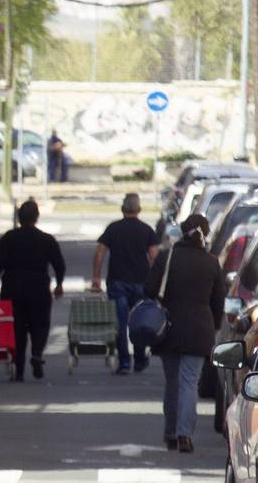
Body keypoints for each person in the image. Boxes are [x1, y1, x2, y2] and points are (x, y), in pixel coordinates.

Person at [148, 213, 227, 454]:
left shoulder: (166, 257)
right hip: (199, 329)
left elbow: (149, 289)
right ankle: (185, 435)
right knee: (189, 382)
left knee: (172, 382)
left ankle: (170, 434)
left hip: (168, 328)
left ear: (182, 232)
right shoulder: (211, 262)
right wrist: (213, 326)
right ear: (205, 235)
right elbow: (218, 302)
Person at [0, 199, 66, 381]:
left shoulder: (8, 238)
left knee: (16, 330)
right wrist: (59, 285)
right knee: (41, 326)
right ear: (37, 217)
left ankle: (18, 371)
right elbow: (59, 265)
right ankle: (36, 353)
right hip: (39, 290)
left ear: (19, 217)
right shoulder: (47, 240)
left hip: (13, 290)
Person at [90, 193, 162, 375]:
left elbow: (100, 253)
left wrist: (96, 278)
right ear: (139, 209)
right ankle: (139, 359)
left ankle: (123, 362)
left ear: (123, 209)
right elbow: (155, 257)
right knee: (139, 322)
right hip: (141, 282)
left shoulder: (113, 229)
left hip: (117, 282)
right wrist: (156, 282)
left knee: (120, 323)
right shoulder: (147, 230)